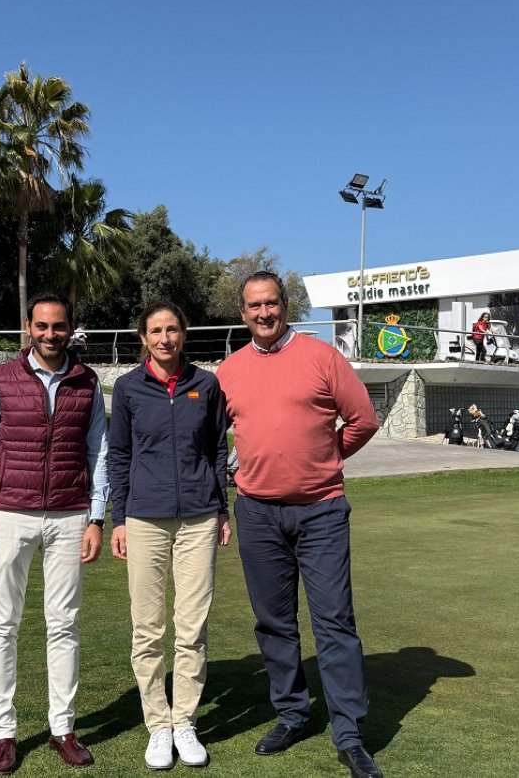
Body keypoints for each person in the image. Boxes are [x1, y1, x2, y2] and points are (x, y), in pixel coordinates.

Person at [216, 271, 383, 778]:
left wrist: (325, 457)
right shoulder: (229, 370)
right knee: (274, 623)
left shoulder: (323, 358)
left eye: (270, 304)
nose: (263, 313)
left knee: (334, 622)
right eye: (253, 306)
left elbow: (363, 420)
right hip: (257, 512)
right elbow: (210, 436)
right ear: (242, 313)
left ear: (285, 307)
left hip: (322, 511)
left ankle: (349, 733)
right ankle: (291, 714)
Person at [0, 293, 109, 775]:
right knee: (2, 624)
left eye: (59, 326)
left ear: (71, 329)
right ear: (28, 328)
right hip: (8, 515)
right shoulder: (0, 379)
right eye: (42, 326)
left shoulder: (87, 382)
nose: (50, 334)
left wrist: (96, 518)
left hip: (70, 515)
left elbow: (99, 453)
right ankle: (3, 733)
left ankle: (62, 728)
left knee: (63, 624)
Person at [106, 302, 231, 770]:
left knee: (192, 626)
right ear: (143, 338)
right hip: (144, 519)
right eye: (155, 331)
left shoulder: (206, 384)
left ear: (184, 333)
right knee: (147, 628)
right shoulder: (129, 388)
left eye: (172, 329)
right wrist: (119, 518)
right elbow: (118, 456)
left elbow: (217, 448)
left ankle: (185, 722)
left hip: (199, 517)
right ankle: (158, 726)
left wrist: (221, 509)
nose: (165, 339)